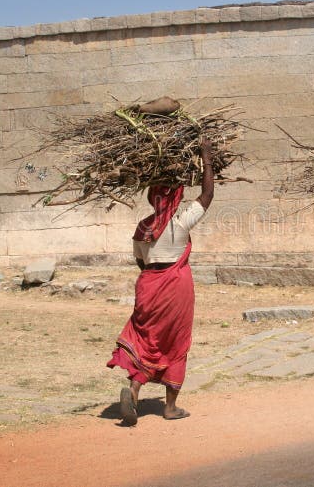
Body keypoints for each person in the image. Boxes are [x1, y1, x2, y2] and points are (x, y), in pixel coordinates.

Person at [107, 137, 214, 424]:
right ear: (175, 198)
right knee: (175, 342)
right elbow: (207, 195)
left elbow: (140, 261)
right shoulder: (180, 223)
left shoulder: (143, 227)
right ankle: (170, 407)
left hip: (148, 287)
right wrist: (206, 156)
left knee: (147, 338)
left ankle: (134, 389)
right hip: (175, 288)